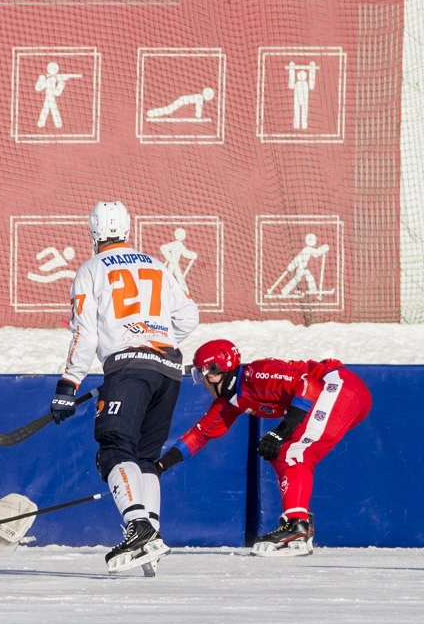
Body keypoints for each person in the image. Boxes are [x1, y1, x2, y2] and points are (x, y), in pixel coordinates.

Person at [52, 201, 199, 574]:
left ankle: (138, 530)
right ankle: (151, 535)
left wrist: (69, 383)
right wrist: (156, 338)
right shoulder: (156, 265)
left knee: (114, 451)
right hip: (168, 368)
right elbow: (188, 317)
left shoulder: (90, 270)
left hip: (129, 370)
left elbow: (83, 334)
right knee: (145, 457)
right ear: (127, 229)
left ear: (93, 232)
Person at [156, 340, 372, 556]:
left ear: (215, 370)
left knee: (291, 452)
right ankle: (299, 522)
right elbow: (200, 434)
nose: (201, 381)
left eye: (201, 373)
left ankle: (297, 526)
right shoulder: (231, 400)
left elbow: (308, 386)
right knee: (281, 453)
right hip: (344, 393)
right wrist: (161, 465)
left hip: (338, 386)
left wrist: (283, 430)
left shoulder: (255, 374)